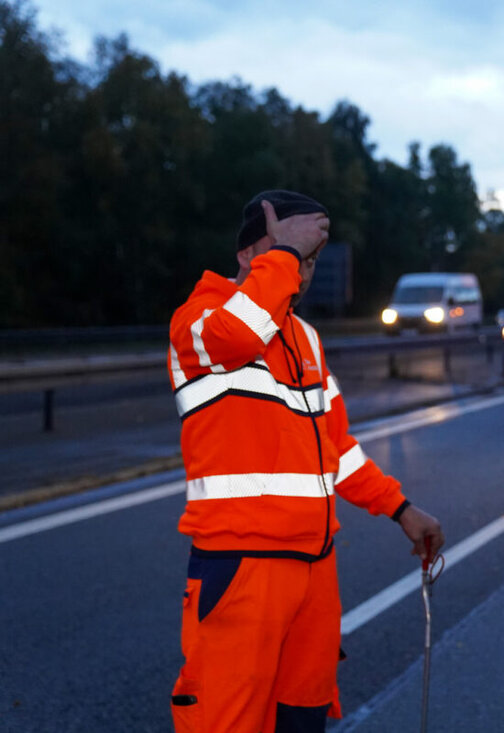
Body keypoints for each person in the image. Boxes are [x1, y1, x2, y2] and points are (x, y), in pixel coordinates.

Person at [166, 190, 444, 732]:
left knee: (303, 718)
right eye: (292, 254)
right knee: (229, 722)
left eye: (311, 260)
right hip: (243, 569)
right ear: (250, 255)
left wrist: (401, 508)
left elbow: (337, 449)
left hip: (316, 571)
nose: (303, 271)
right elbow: (238, 334)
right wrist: (287, 255)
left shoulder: (306, 340)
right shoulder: (200, 318)